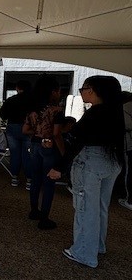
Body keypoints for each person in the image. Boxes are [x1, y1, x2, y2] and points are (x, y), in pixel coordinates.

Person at [48, 76, 124, 268]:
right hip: (111, 162)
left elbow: (77, 141)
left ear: (93, 90)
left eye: (83, 88)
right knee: (100, 207)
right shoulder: (116, 111)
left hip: (90, 162)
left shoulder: (94, 113)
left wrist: (59, 167)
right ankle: (97, 245)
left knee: (85, 208)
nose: (81, 92)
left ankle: (83, 253)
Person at [23, 75, 65, 229]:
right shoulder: (57, 110)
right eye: (58, 91)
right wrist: (63, 153)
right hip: (49, 146)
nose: (59, 94)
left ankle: (34, 211)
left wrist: (38, 132)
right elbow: (56, 134)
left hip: (35, 144)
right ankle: (44, 218)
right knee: (49, 183)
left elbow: (25, 130)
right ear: (53, 92)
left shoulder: (32, 110)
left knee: (35, 180)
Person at [0, 80, 32, 188]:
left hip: (12, 128)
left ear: (17, 88)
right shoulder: (33, 100)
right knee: (28, 155)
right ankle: (29, 180)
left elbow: (3, 115)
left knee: (15, 154)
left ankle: (14, 177)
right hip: (28, 129)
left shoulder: (10, 100)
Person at [118, 91, 132, 211]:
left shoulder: (124, 108)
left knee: (130, 171)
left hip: (130, 145)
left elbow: (127, 126)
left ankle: (130, 200)